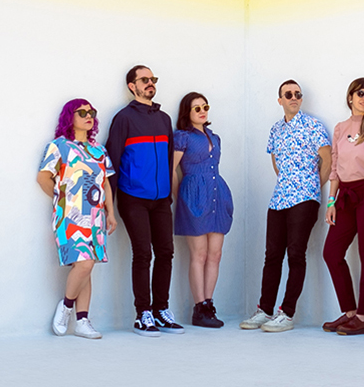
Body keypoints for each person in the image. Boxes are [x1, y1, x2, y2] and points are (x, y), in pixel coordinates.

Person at [240, 79, 331, 332]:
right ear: (279, 100)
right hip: (279, 198)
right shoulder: (275, 130)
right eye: (288, 94)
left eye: (298, 94)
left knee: (296, 254)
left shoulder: (313, 126)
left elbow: (327, 160)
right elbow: (276, 161)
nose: (294, 97)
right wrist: (287, 182)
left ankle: (287, 313)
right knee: (272, 256)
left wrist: (311, 185)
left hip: (304, 198)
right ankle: (265, 309)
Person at [106, 64, 184, 336]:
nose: (150, 83)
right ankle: (143, 314)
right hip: (133, 198)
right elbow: (112, 163)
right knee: (143, 254)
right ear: (132, 86)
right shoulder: (124, 119)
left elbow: (168, 159)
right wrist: (110, 208)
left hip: (161, 199)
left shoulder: (163, 119)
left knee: (166, 252)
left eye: (153, 79)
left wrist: (170, 196)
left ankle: (161, 310)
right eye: (144, 80)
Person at [37, 99, 117, 340]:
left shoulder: (99, 150)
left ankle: (82, 321)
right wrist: (64, 199)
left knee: (86, 266)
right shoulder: (58, 147)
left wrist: (110, 212)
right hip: (69, 217)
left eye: (91, 112)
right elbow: (43, 178)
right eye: (81, 112)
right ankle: (67, 306)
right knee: (84, 264)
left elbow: (105, 182)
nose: (88, 115)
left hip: (95, 217)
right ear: (69, 117)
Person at [322, 78, 364, 336]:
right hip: (346, 195)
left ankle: (363, 317)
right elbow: (336, 167)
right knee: (332, 252)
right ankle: (349, 311)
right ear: (350, 96)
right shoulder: (340, 128)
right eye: (360, 93)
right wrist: (332, 201)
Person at [172, 93, 234, 328]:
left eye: (205, 106)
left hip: (217, 196)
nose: (202, 111)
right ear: (186, 112)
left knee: (215, 254)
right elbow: (173, 170)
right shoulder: (183, 137)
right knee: (198, 254)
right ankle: (199, 308)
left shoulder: (214, 137)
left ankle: (209, 303)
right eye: (196, 108)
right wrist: (182, 197)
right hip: (193, 197)